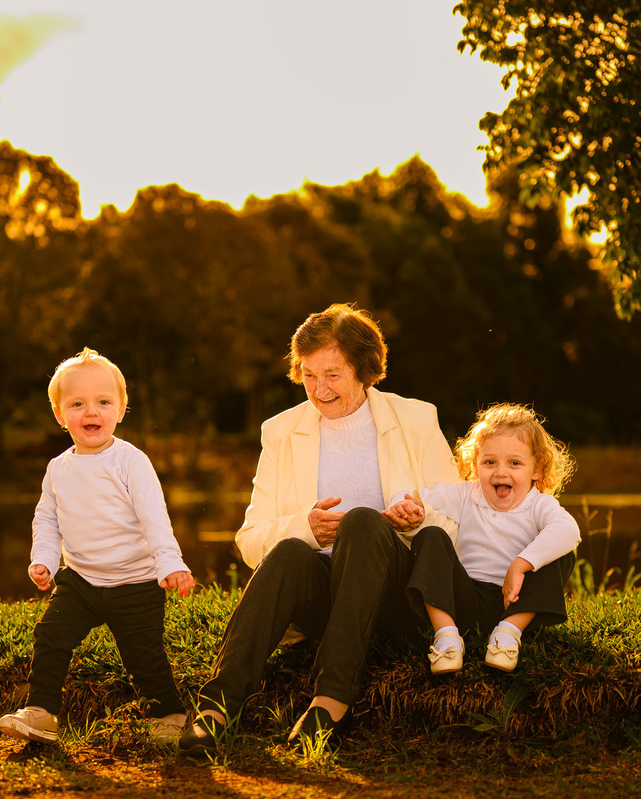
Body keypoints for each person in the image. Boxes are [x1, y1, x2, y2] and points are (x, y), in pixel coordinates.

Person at [178, 303, 459, 757]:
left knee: (365, 522)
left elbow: (457, 515)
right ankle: (216, 709)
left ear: (365, 369)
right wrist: (305, 527)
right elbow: (250, 541)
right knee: (290, 551)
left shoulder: (416, 419)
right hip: (321, 600)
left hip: (394, 592)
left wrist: (418, 517)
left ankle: (330, 702)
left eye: (332, 374)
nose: (319, 389)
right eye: (309, 375)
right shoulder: (282, 432)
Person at [0, 347, 195, 745]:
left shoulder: (130, 461)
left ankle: (169, 714)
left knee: (144, 656)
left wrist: (170, 563)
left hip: (136, 583)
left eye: (104, 402)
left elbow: (153, 516)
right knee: (51, 636)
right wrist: (44, 560)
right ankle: (41, 712)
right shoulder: (58, 468)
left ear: (121, 409)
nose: (92, 412)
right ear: (59, 415)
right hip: (81, 582)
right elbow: (47, 519)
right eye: (77, 404)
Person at [385, 403, 579, 675]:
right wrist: (402, 506)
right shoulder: (466, 494)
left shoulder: (539, 504)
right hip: (465, 600)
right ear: (475, 464)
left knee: (561, 552)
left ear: (537, 469)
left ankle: (508, 636)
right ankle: (447, 637)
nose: (501, 472)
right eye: (490, 462)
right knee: (430, 535)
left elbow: (569, 531)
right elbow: (411, 496)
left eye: (514, 463)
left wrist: (520, 564)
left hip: (514, 603)